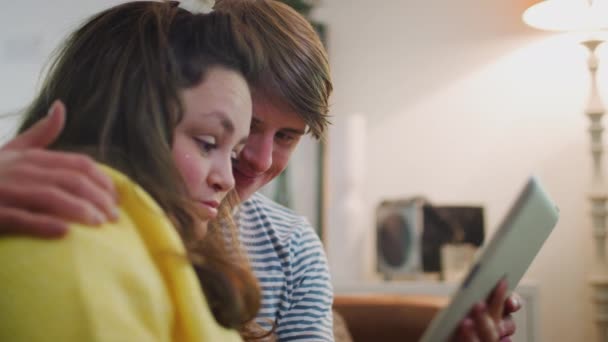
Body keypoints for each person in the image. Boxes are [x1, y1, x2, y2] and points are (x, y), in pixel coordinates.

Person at [0, 0, 520, 341]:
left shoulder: (291, 246)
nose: (257, 162)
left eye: (288, 138)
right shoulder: (47, 203)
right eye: (224, 135)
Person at [0, 1, 269, 341]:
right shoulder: (74, 249)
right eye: (206, 142)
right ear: (128, 123)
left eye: (234, 152)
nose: (228, 180)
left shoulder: (162, 250)